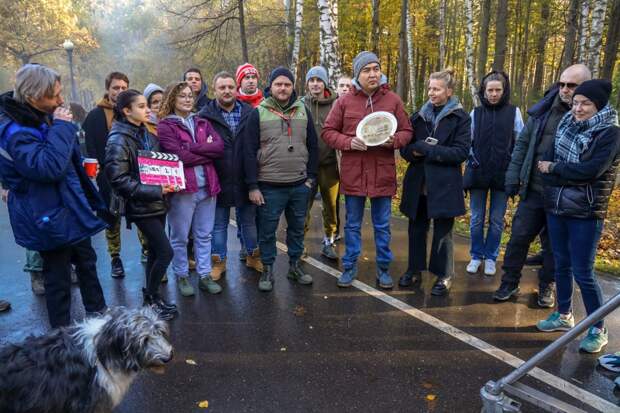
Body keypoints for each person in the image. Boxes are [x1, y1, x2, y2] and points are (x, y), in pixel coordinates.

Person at [0, 64, 107, 328]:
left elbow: (62, 160)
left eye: (60, 93)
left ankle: (101, 320)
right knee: (58, 276)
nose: (61, 100)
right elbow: (48, 168)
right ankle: (61, 337)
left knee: (86, 261)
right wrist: (62, 126)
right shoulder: (14, 131)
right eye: (54, 96)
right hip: (46, 212)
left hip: (68, 205)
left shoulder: (40, 114)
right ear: (33, 96)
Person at [494, 64, 592, 307]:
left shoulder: (591, 117)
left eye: (572, 85)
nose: (565, 90)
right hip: (534, 190)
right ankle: (509, 281)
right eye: (562, 84)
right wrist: (512, 177)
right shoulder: (543, 111)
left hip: (565, 196)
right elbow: (522, 145)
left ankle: (547, 285)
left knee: (555, 247)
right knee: (518, 238)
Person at [535, 79, 619, 353]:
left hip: (586, 211)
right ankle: (563, 314)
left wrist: (556, 169)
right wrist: (557, 170)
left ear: (599, 106)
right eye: (576, 103)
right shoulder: (564, 126)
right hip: (557, 206)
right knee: (561, 265)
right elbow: (543, 163)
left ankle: (598, 328)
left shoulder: (610, 133)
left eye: (586, 104)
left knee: (583, 271)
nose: (578, 108)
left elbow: (591, 171)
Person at [322, 51, 413, 290]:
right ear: (357, 75)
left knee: (382, 225)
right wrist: (348, 142)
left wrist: (394, 141)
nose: (373, 74)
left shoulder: (392, 100)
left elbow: (407, 131)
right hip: (354, 174)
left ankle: (383, 269)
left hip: (382, 173)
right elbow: (328, 131)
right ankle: (349, 266)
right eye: (367, 70)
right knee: (352, 224)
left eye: (376, 68)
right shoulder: (344, 102)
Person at [242, 67, 318, 292]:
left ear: (293, 86)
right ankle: (267, 269)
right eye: (278, 84)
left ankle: (295, 266)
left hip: (299, 184)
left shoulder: (303, 110)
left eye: (287, 84)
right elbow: (248, 151)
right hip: (269, 186)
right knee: (267, 231)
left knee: (296, 229)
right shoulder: (258, 112)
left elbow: (313, 145)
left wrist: (310, 178)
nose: (283, 88)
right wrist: (253, 186)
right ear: (271, 86)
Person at [104, 89, 177, 320]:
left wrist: (170, 180)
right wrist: (155, 190)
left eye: (148, 105)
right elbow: (118, 179)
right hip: (141, 205)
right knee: (166, 252)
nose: (148, 110)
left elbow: (157, 165)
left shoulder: (145, 133)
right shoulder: (118, 139)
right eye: (142, 106)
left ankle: (152, 300)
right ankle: (150, 296)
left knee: (156, 252)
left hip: (157, 201)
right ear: (127, 111)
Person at [398, 68, 470, 296]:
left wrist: (429, 150)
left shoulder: (461, 118)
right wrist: (414, 151)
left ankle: (444, 275)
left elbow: (461, 152)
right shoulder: (418, 116)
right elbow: (405, 149)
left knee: (443, 232)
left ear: (449, 91)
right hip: (418, 182)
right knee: (416, 227)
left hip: (444, 184)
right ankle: (414, 269)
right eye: (430, 88)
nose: (431, 93)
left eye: (436, 89)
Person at [158, 82, 224, 297]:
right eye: (182, 96)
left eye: (190, 96)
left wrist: (191, 148)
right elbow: (178, 156)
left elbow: (219, 148)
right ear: (172, 99)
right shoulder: (166, 126)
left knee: (204, 235)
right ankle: (182, 275)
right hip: (183, 189)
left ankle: (205, 275)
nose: (187, 99)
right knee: (179, 236)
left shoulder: (202, 122)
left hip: (208, 186)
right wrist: (204, 150)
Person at [199, 72, 262, 279]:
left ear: (236, 89)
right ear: (214, 90)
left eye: (230, 87)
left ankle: (253, 256)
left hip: (246, 179)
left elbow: (254, 148)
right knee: (218, 226)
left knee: (249, 223)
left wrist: (253, 184)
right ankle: (219, 263)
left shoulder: (250, 112)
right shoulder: (204, 116)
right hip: (218, 180)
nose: (227, 91)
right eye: (222, 88)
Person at [463, 71, 524, 276]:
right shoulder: (476, 113)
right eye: (490, 90)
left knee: (497, 220)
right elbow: (467, 141)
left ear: (504, 91)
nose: (494, 94)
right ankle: (476, 255)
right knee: (477, 218)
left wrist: (514, 168)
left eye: (498, 90)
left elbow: (520, 142)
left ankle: (491, 257)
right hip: (478, 173)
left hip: (503, 174)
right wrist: (471, 159)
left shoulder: (514, 113)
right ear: (484, 91)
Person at [83, 71, 132, 278]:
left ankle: (149, 255)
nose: (120, 91)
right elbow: (91, 147)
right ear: (108, 89)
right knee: (111, 218)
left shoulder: (134, 110)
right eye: (116, 87)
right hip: (108, 177)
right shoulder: (96, 115)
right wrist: (99, 172)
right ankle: (115, 258)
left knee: (141, 215)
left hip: (133, 174)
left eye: (123, 88)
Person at [302, 66, 339, 259]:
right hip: (306, 166)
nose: (315, 84)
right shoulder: (301, 104)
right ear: (307, 83)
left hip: (330, 164)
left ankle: (329, 241)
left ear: (325, 82)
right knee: (303, 205)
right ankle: (300, 242)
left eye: (318, 80)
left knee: (330, 205)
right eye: (311, 80)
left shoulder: (337, 103)